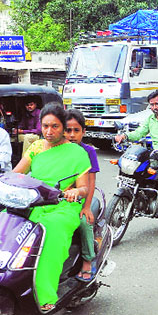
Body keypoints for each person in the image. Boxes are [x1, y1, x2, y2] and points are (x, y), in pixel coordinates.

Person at [10, 104, 91, 311]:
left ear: (63, 127)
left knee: (49, 230)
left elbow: (83, 187)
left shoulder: (77, 152)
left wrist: (75, 192)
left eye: (55, 126)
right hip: (34, 201)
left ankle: (46, 293)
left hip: (63, 205)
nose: (49, 131)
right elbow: (17, 173)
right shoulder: (36, 147)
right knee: (7, 221)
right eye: (45, 126)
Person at [114, 90, 158, 218]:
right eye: (151, 105)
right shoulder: (150, 118)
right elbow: (139, 132)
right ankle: (139, 198)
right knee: (139, 169)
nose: (154, 107)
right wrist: (124, 136)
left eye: (156, 104)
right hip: (156, 153)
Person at [63, 109, 101, 282]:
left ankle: (87, 260)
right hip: (60, 199)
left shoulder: (88, 152)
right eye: (68, 130)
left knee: (84, 223)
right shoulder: (58, 150)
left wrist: (86, 207)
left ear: (83, 132)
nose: (72, 135)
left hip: (81, 199)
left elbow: (91, 182)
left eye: (76, 130)